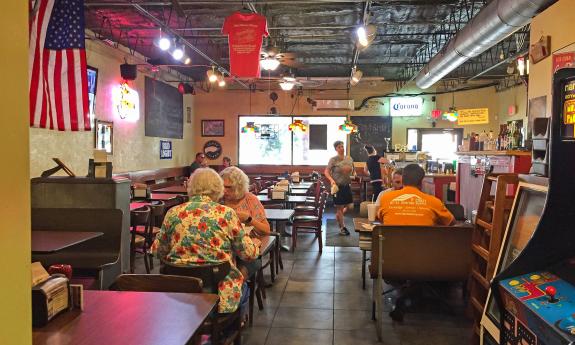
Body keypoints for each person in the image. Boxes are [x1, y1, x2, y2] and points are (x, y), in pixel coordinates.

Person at [151, 168, 260, 314]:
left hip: (178, 293)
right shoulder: (226, 214)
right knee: (245, 283)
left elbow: (157, 251)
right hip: (217, 292)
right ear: (218, 189)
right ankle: (232, 324)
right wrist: (255, 245)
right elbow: (248, 254)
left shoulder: (173, 212)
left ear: (191, 188)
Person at [220, 166, 270, 278]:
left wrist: (249, 219)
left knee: (246, 267)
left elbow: (266, 230)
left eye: (228, 187)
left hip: (246, 249)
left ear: (239, 187)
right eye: (222, 186)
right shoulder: (218, 201)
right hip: (224, 250)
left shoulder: (250, 199)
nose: (224, 190)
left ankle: (238, 288)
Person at [377, 164, 454, 226]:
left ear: (403, 180)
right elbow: (451, 222)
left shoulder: (385, 198)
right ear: (421, 182)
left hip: (391, 244)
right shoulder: (434, 202)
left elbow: (380, 218)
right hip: (424, 245)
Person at [325, 140, 355, 236]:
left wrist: (354, 174)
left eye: (342, 146)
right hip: (337, 187)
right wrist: (331, 180)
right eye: (339, 147)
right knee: (340, 208)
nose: (341, 148)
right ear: (336, 149)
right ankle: (343, 228)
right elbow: (326, 171)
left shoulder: (349, 158)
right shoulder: (333, 160)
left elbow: (353, 170)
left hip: (347, 185)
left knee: (350, 206)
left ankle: (339, 214)